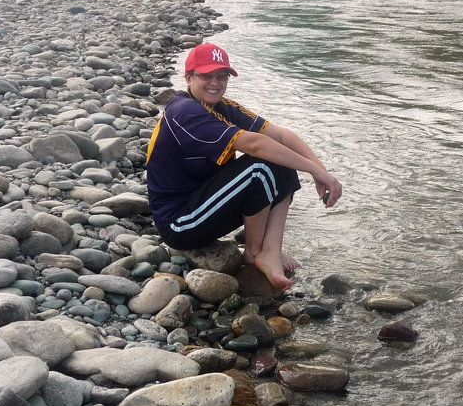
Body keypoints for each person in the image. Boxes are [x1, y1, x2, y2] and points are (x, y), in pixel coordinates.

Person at [146, 42, 343, 291]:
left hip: (205, 205)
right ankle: (254, 252)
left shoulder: (223, 107)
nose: (215, 83)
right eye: (206, 75)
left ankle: (271, 251)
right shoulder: (184, 111)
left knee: (282, 160)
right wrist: (314, 171)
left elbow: (280, 135)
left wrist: (320, 170)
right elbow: (254, 144)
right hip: (180, 222)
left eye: (222, 76)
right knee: (260, 168)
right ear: (188, 77)